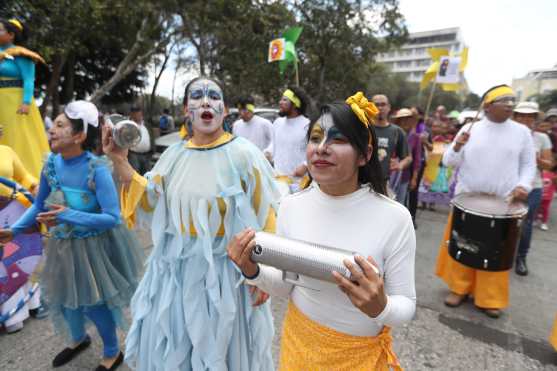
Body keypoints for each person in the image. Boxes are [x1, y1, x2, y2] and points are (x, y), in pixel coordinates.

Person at [228, 93, 415, 370]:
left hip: (356, 357)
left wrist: (381, 307)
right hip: (298, 346)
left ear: (364, 155)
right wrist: (251, 271)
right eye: (315, 138)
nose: (322, 148)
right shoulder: (291, 206)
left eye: (337, 140)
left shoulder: (394, 218)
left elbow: (406, 305)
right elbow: (285, 285)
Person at [103, 77, 280, 370]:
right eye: (197, 96)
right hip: (176, 274)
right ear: (187, 109)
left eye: (214, 96)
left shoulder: (245, 154)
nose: (206, 101)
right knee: (178, 348)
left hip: (228, 276)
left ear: (224, 110)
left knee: (223, 351)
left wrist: (264, 272)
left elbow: (267, 215)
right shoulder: (173, 156)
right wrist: (120, 160)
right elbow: (149, 203)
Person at [0, 101, 143, 370]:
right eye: (53, 125)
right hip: (62, 245)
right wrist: (15, 230)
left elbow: (112, 218)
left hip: (94, 249)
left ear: (79, 136)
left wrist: (66, 215)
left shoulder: (97, 169)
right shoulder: (51, 164)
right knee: (65, 299)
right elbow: (39, 203)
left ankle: (112, 352)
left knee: (94, 302)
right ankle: (78, 339)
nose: (51, 130)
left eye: (60, 125)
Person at [436, 85, 536, 318]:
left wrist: (524, 185)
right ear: (487, 106)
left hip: (503, 203)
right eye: (504, 100)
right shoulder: (471, 128)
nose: (510, 104)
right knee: (464, 245)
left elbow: (528, 165)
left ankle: (488, 298)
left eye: (512, 100)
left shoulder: (521, 132)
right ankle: (459, 289)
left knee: (495, 252)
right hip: (467, 199)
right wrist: (458, 144)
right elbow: (448, 161)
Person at [0, 124, 46, 333]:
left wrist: (35, 187)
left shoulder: (7, 151)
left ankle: (33, 303)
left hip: (12, 212)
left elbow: (24, 177)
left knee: (20, 259)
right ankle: (9, 316)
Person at [0, 18, 50, 178]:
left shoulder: (21, 55)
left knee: (18, 138)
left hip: (15, 102)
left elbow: (29, 79)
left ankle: (26, 178)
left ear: (11, 34)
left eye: (0, 30)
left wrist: (26, 102)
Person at [512, 102, 553, 275]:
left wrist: (537, 160)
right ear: (515, 116)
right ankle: (499, 255)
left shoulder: (542, 138)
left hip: (532, 187)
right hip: (506, 186)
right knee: (502, 223)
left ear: (535, 119)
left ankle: (521, 258)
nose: (525, 119)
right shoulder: (507, 134)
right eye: (521, 115)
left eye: (530, 116)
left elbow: (549, 165)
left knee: (526, 223)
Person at [265, 87, 311, 182]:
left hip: (300, 184)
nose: (280, 102)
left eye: (284, 100)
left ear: (295, 104)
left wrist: (306, 165)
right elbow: (274, 145)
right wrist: (267, 153)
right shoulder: (277, 122)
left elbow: (316, 152)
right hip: (279, 182)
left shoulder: (308, 125)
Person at [371, 95, 411, 193]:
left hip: (384, 184)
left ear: (389, 107)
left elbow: (408, 158)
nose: (380, 108)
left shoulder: (397, 132)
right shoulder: (363, 129)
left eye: (383, 104)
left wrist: (400, 165)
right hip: (360, 182)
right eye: (376, 105)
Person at [418, 120, 456, 209]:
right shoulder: (427, 137)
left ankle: (432, 204)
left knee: (435, 185)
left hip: (438, 166)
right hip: (428, 164)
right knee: (425, 184)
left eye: (439, 127)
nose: (436, 128)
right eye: (434, 126)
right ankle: (423, 203)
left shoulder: (447, 141)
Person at [392, 108, 422, 209]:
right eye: (402, 119)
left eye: (408, 119)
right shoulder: (391, 133)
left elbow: (417, 160)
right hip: (388, 175)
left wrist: (414, 178)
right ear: (398, 121)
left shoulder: (415, 137)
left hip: (404, 176)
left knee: (399, 203)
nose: (405, 122)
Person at [127, 105, 151, 174]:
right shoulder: (128, 125)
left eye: (139, 113)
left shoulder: (146, 125)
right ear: (132, 114)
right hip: (134, 155)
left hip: (146, 155)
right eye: (135, 113)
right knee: (135, 175)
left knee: (147, 175)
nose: (137, 115)